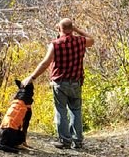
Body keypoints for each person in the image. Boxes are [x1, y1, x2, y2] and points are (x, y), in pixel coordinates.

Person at [22, 18, 94, 149]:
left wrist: (32, 77)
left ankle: (65, 140)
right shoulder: (80, 41)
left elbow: (45, 63)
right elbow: (92, 40)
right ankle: (77, 141)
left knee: (61, 110)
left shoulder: (55, 44)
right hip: (76, 82)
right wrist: (76, 30)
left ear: (59, 29)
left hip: (59, 82)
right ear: (71, 29)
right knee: (76, 110)